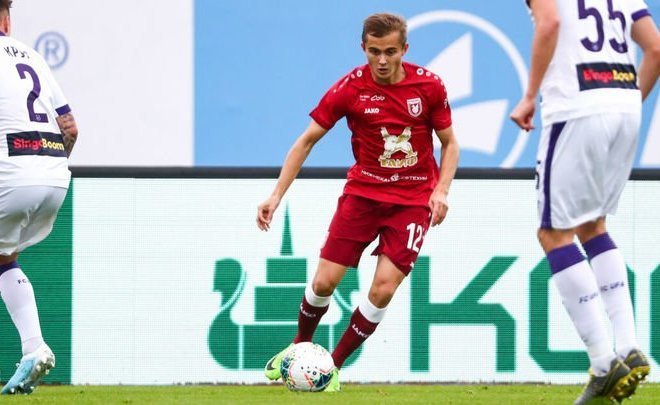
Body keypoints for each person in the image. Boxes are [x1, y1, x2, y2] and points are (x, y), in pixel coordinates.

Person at [257, 12, 459, 391]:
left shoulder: (428, 87)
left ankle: (330, 368)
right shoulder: (350, 89)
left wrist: (441, 190)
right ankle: (298, 348)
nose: (381, 60)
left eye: (390, 52)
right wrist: (276, 194)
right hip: (363, 196)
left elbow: (450, 144)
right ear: (363, 48)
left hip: (412, 201)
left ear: (404, 49)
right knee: (323, 282)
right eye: (374, 51)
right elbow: (306, 141)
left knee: (383, 289)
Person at [510, 0, 659, 403]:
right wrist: (627, 102)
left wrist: (529, 96)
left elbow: (549, 22)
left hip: (576, 106)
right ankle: (628, 346)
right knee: (592, 225)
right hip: (625, 106)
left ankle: (603, 362)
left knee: (553, 233)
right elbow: (655, 48)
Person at [0, 0, 79, 395]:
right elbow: (71, 128)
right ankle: (34, 347)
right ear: (6, 18)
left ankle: (33, 346)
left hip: (10, 172)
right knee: (4, 259)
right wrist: (45, 167)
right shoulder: (32, 56)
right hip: (53, 174)